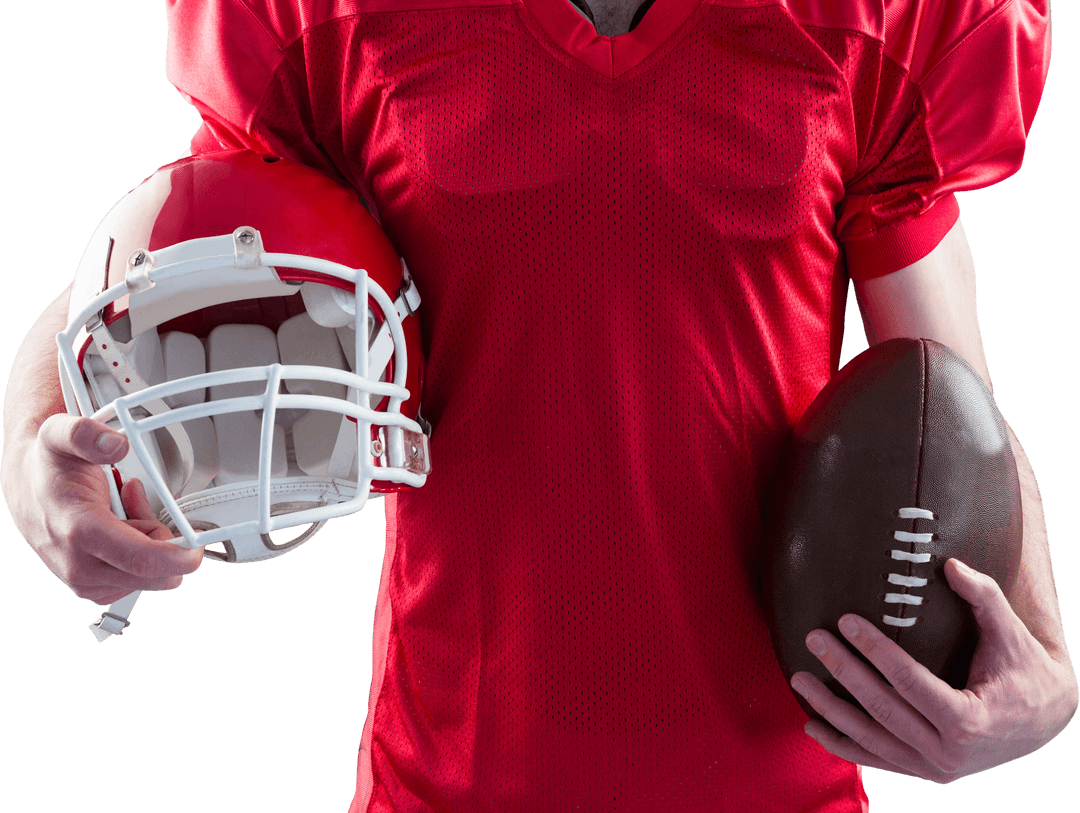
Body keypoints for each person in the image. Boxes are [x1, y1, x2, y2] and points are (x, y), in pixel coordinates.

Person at [1, 1, 1075, 811]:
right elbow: (175, 242)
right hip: (447, 773)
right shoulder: (336, 20)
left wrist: (1046, 664)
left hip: (783, 779)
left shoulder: (879, 18)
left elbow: (946, 401)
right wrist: (30, 446)